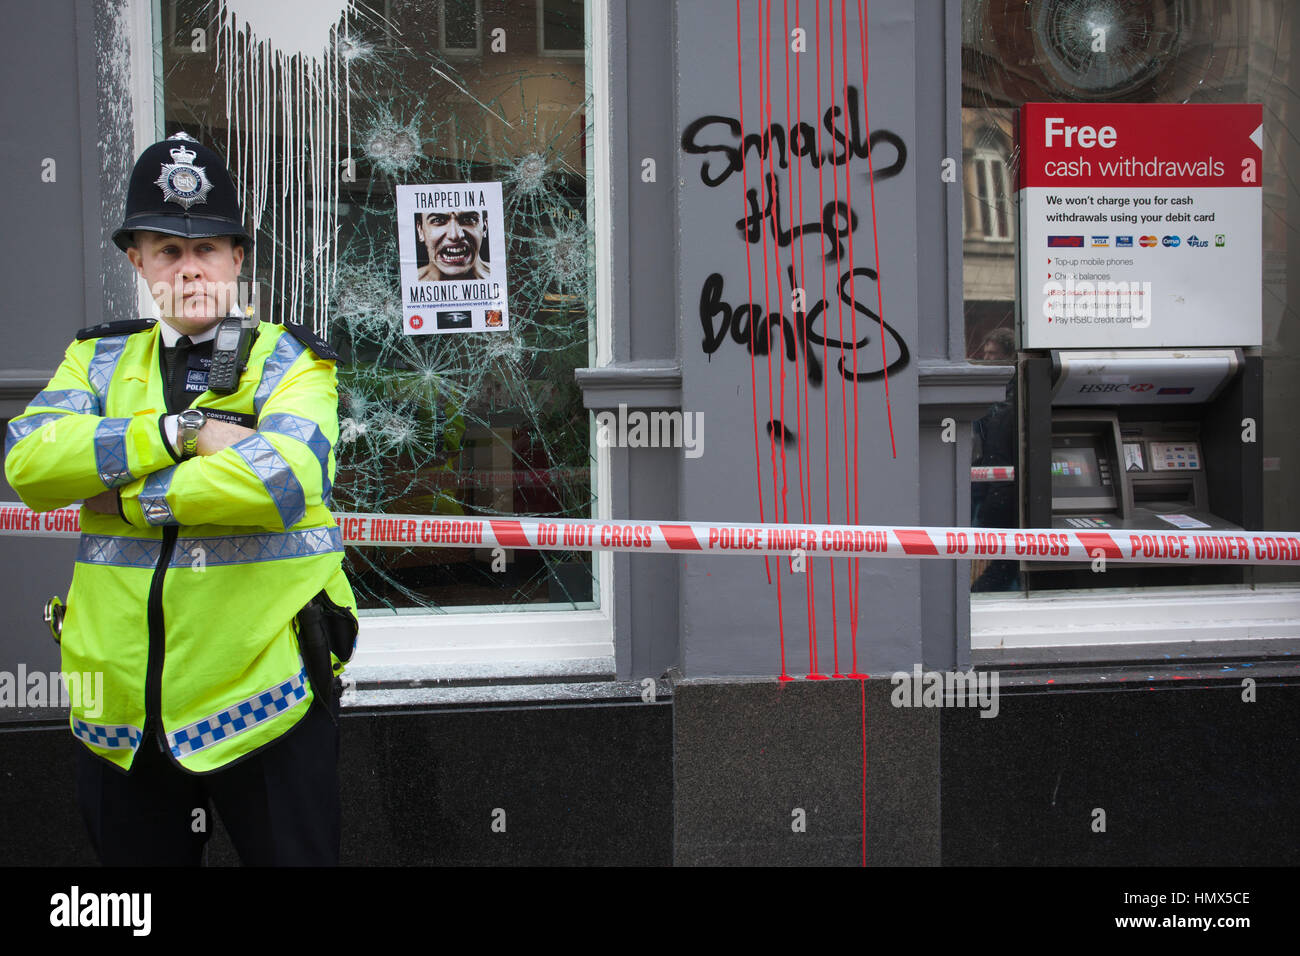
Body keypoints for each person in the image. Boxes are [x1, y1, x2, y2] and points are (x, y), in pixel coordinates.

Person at [3, 132, 357, 866]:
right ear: (138, 261)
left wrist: (128, 498)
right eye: (167, 250)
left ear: (236, 258)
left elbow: (283, 480)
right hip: (121, 707)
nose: (189, 268)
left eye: (207, 250)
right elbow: (30, 463)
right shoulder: (95, 358)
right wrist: (179, 432)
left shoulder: (290, 359)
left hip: (265, 697)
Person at [415, 209, 491, 281]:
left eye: (468, 219)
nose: (454, 235)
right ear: (420, 231)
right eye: (437, 220)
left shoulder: (500, 276)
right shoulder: (407, 282)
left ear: (484, 228)